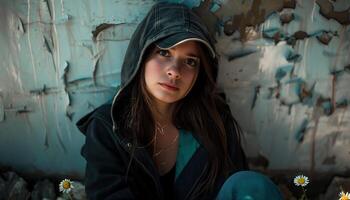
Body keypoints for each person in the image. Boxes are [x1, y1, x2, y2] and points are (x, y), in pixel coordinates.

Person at [77, 2, 283, 200]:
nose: (174, 71)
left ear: (199, 73)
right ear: (141, 56)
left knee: (251, 186)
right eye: (164, 52)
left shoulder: (215, 122)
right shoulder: (108, 126)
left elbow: (233, 189)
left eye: (190, 61)